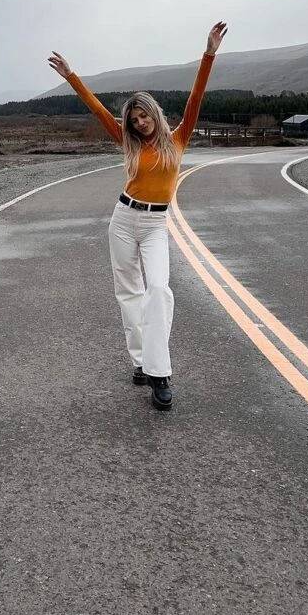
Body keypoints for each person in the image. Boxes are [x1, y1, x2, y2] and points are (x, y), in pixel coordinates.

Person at [47, 21, 227, 412]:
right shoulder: (127, 141)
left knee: (159, 290)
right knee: (129, 293)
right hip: (124, 221)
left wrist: (209, 52)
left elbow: (197, 95)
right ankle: (142, 363)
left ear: (154, 115)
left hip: (156, 224)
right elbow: (97, 110)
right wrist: (72, 77)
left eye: (143, 117)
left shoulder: (179, 137)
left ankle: (160, 373)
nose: (139, 123)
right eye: (133, 120)